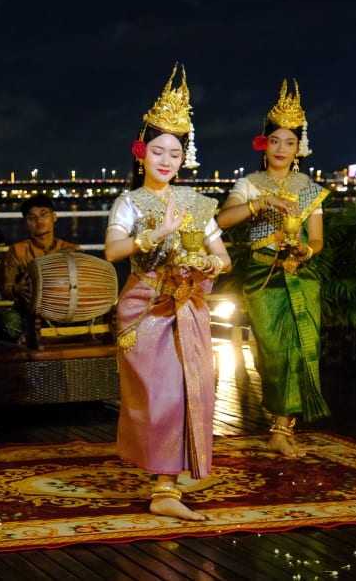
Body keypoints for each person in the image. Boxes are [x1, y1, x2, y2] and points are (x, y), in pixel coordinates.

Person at [103, 64, 231, 521]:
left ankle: (166, 487)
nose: (165, 161)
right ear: (141, 153)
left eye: (174, 154)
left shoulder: (198, 203)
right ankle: (160, 478)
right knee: (157, 398)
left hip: (188, 305)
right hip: (146, 308)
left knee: (187, 391)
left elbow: (224, 258)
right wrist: (154, 237)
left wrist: (206, 262)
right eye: (157, 151)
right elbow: (113, 250)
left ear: (183, 159)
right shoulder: (131, 202)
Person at [215, 79, 329, 458]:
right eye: (275, 141)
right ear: (263, 143)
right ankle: (277, 423)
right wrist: (259, 204)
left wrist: (305, 252)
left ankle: (283, 429)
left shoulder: (309, 188)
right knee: (273, 351)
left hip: (300, 274)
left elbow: (317, 240)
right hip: (264, 275)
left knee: (300, 352)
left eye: (290, 142)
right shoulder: (250, 185)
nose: (282, 149)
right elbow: (223, 219)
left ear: (299, 148)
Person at [0, 193, 80, 341]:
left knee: (101, 315)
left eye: (44, 214)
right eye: (32, 217)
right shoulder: (17, 251)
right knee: (9, 321)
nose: (39, 220)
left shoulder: (71, 250)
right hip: (30, 313)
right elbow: (6, 289)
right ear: (26, 224)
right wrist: (17, 289)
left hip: (66, 311)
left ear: (54, 217)